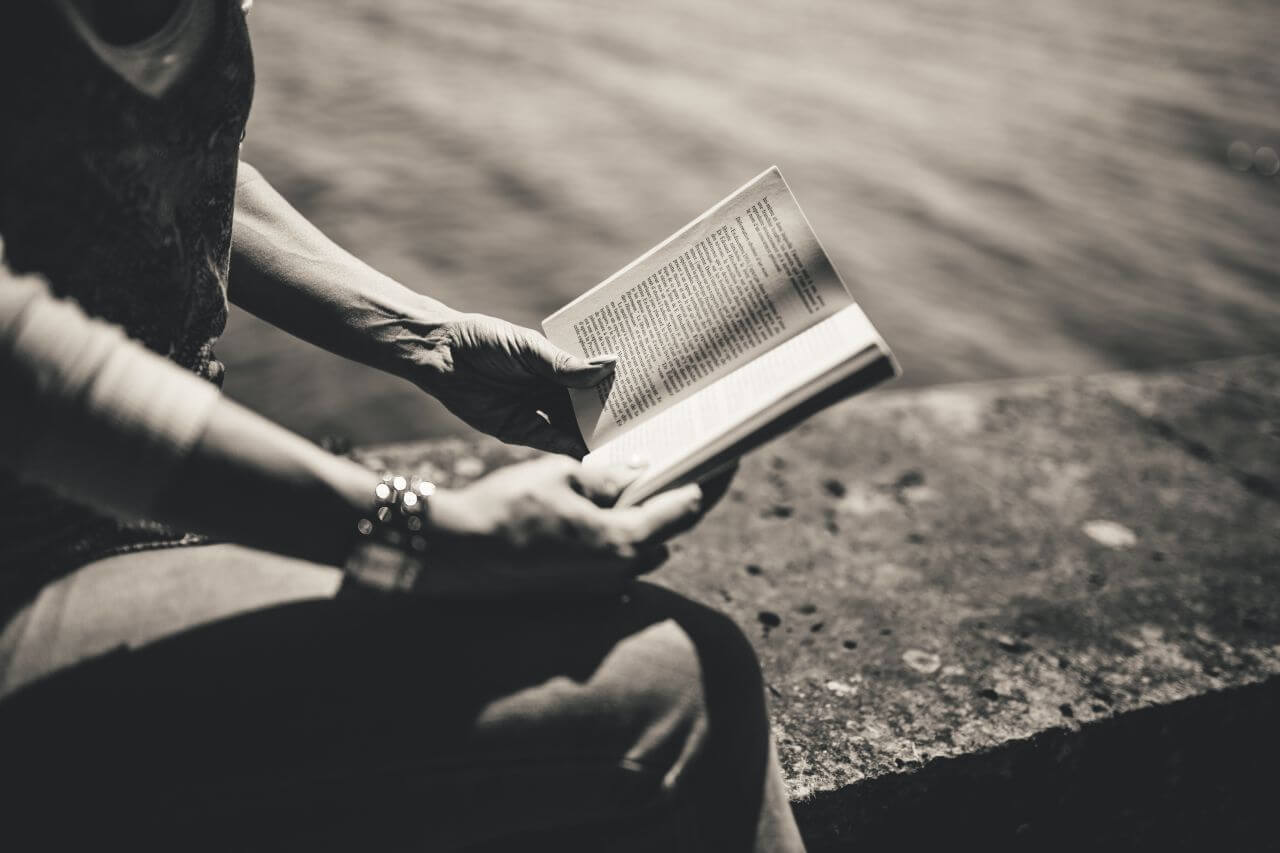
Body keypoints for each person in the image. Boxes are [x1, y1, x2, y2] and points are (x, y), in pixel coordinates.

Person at [0, 2, 808, 850]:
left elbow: (154, 168)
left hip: (134, 513)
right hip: (28, 563)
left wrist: (426, 338)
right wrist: (423, 533)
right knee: (679, 688)